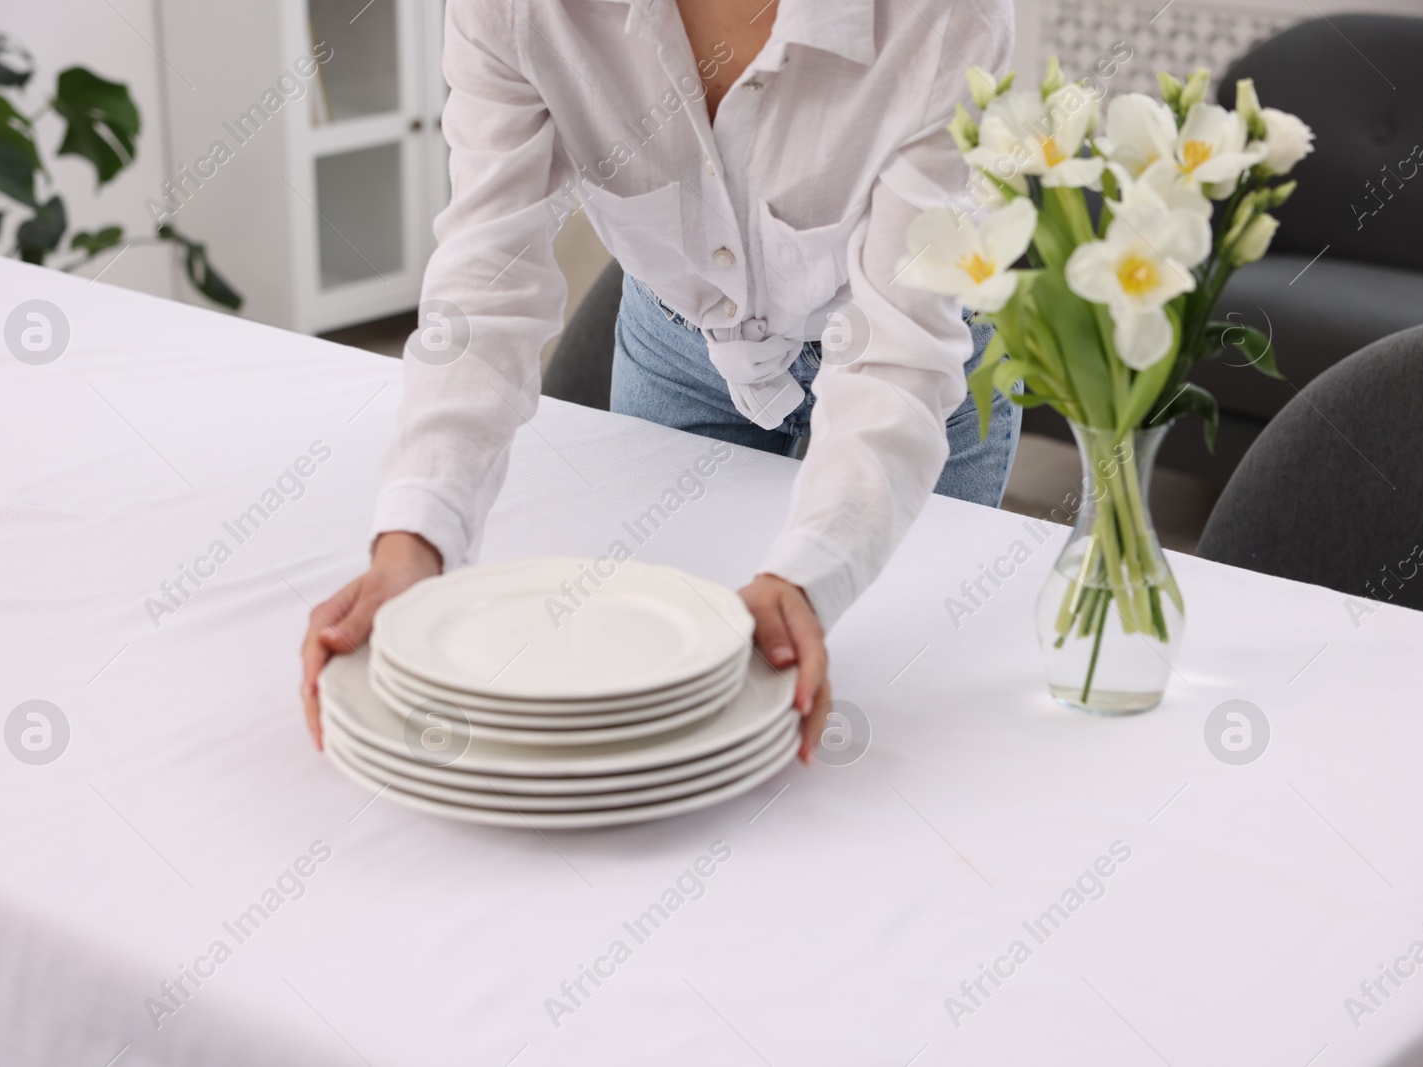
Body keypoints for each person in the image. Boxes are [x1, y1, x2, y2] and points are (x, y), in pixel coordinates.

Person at [301, 0, 1018, 763]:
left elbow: (898, 353)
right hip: (682, 350)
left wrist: (811, 577)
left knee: (903, 716)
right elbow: (487, 284)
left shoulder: (945, 15)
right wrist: (418, 534)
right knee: (660, 698)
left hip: (912, 374)